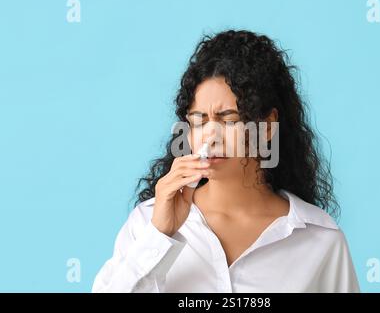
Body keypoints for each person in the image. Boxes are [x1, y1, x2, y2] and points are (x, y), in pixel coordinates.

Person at [92, 30, 360, 292]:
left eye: (229, 120)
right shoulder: (148, 222)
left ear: (267, 126)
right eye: (199, 121)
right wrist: (160, 235)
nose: (211, 136)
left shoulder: (321, 238)